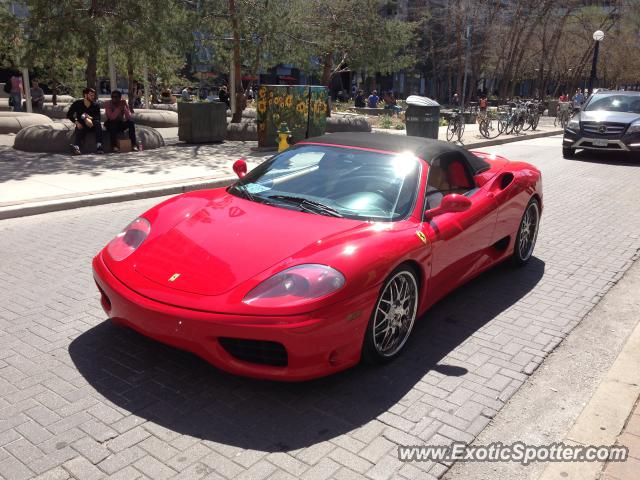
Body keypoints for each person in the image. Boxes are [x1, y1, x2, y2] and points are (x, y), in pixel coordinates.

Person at [67, 87, 103, 155]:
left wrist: (88, 118)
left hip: (92, 125)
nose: (93, 97)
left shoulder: (95, 105)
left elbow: (98, 117)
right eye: (91, 95)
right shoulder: (77, 103)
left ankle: (99, 146)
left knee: (97, 123)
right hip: (82, 125)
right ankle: (77, 148)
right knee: (78, 128)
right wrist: (76, 122)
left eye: (93, 95)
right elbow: (69, 115)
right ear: (85, 95)